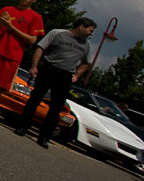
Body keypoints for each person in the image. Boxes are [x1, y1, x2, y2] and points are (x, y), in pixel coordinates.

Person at [13, 17, 97, 149]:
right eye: (90, 31)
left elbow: (86, 63)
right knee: (35, 99)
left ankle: (44, 137)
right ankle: (22, 127)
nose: (90, 34)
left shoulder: (86, 45)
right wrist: (34, 66)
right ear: (81, 27)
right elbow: (40, 48)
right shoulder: (57, 33)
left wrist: (76, 75)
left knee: (56, 107)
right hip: (49, 68)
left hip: (65, 75)